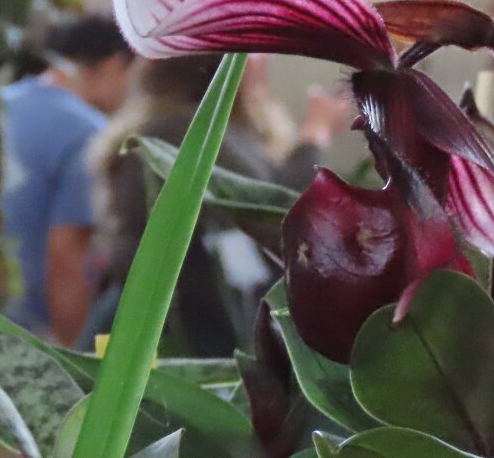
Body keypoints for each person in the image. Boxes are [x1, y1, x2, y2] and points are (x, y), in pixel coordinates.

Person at [85, 51, 350, 354]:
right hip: (172, 335)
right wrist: (316, 133)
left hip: (200, 323)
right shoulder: (185, 132)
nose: (263, 60)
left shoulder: (219, 128)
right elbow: (271, 209)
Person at [0, 12, 133, 344]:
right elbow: (68, 254)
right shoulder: (87, 134)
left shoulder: (0, 104)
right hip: (29, 333)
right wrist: (74, 363)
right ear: (115, 65)